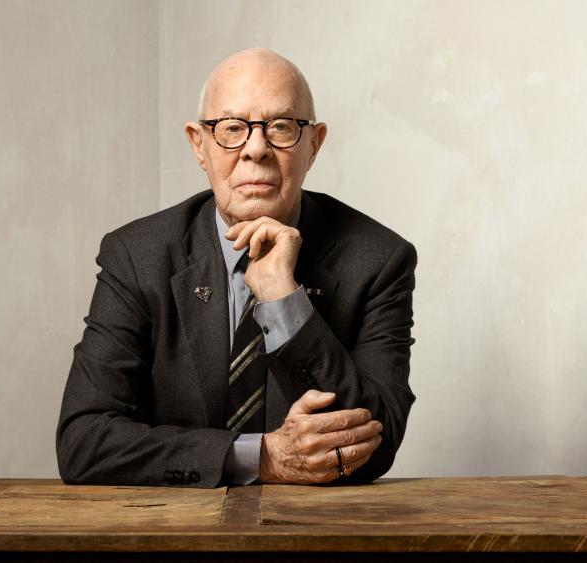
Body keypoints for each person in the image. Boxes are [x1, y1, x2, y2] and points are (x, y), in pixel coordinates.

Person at [56, 48, 416, 487]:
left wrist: (286, 301)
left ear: (314, 145)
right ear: (198, 145)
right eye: (232, 128)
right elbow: (83, 442)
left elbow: (373, 444)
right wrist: (262, 457)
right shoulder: (136, 256)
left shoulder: (378, 259)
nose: (256, 149)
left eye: (281, 127)